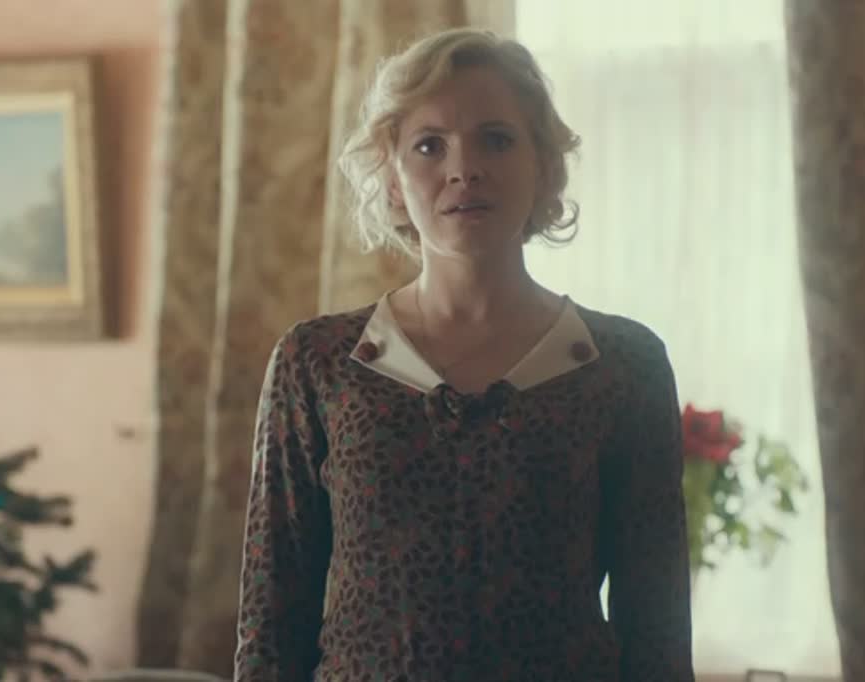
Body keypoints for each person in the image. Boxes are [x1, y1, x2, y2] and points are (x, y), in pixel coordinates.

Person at [233, 27, 694, 682]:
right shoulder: (319, 363)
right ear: (393, 178)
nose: (463, 169)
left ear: (544, 166)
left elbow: (657, 629)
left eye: (495, 139)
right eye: (429, 145)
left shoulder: (622, 364)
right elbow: (271, 623)